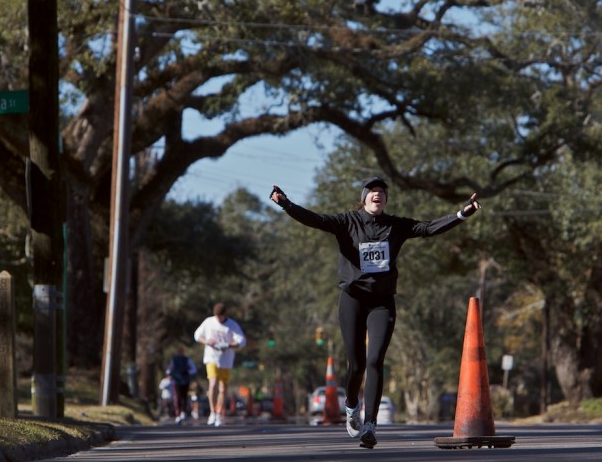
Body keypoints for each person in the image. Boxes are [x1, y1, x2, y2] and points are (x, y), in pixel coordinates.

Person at [269, 177, 481, 448]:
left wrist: (463, 214)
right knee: (356, 365)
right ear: (365, 197)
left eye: (382, 192)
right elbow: (316, 219)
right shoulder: (347, 221)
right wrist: (286, 204)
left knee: (375, 361)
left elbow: (428, 228)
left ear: (385, 200)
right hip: (352, 299)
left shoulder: (396, 225)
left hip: (382, 302)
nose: (378, 195)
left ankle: (370, 425)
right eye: (373, 192)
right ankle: (351, 406)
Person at [193, 302, 247, 427]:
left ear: (224, 315)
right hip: (211, 358)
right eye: (216, 316)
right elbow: (197, 336)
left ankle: (218, 413)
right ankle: (212, 412)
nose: (218, 319)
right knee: (212, 384)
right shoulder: (208, 322)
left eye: (220, 317)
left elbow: (242, 341)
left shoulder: (232, 325)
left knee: (223, 388)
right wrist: (207, 341)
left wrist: (229, 345)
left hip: (226, 360)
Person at [166, 345, 198, 424]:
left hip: (185, 381)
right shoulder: (174, 360)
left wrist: (187, 372)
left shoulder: (187, 359)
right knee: (177, 397)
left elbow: (193, 369)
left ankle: (183, 412)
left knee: (184, 397)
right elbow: (169, 370)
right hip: (176, 381)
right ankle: (178, 414)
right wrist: (172, 374)